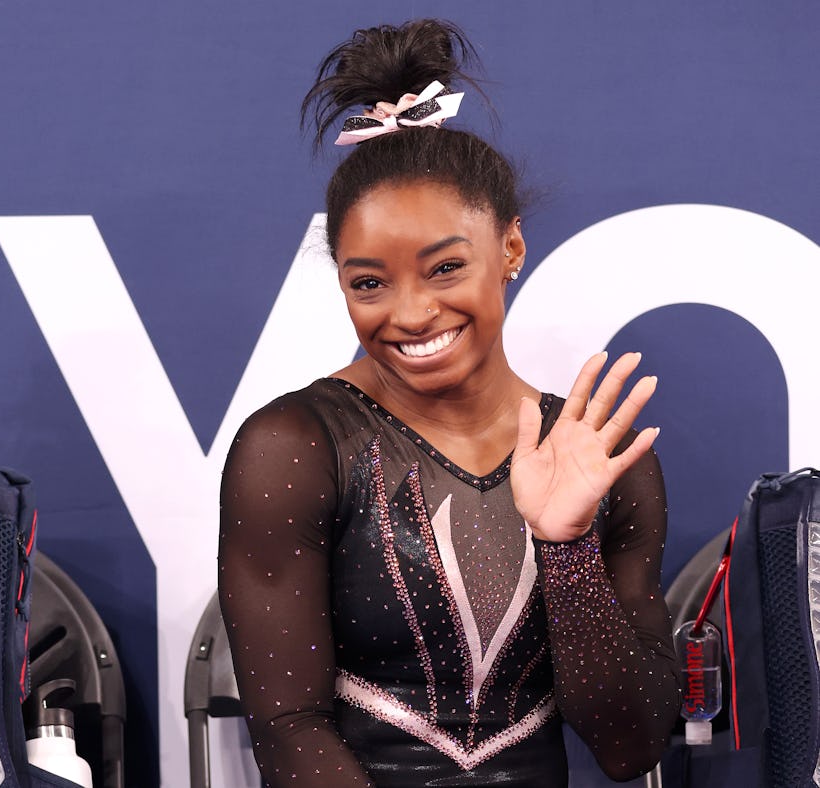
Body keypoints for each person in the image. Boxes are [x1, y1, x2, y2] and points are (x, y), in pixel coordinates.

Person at [218, 19, 681, 788]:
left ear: (510, 249)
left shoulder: (594, 455)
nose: (408, 313)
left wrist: (565, 549)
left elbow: (631, 747)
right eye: (369, 282)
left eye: (444, 268)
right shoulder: (294, 444)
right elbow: (287, 727)